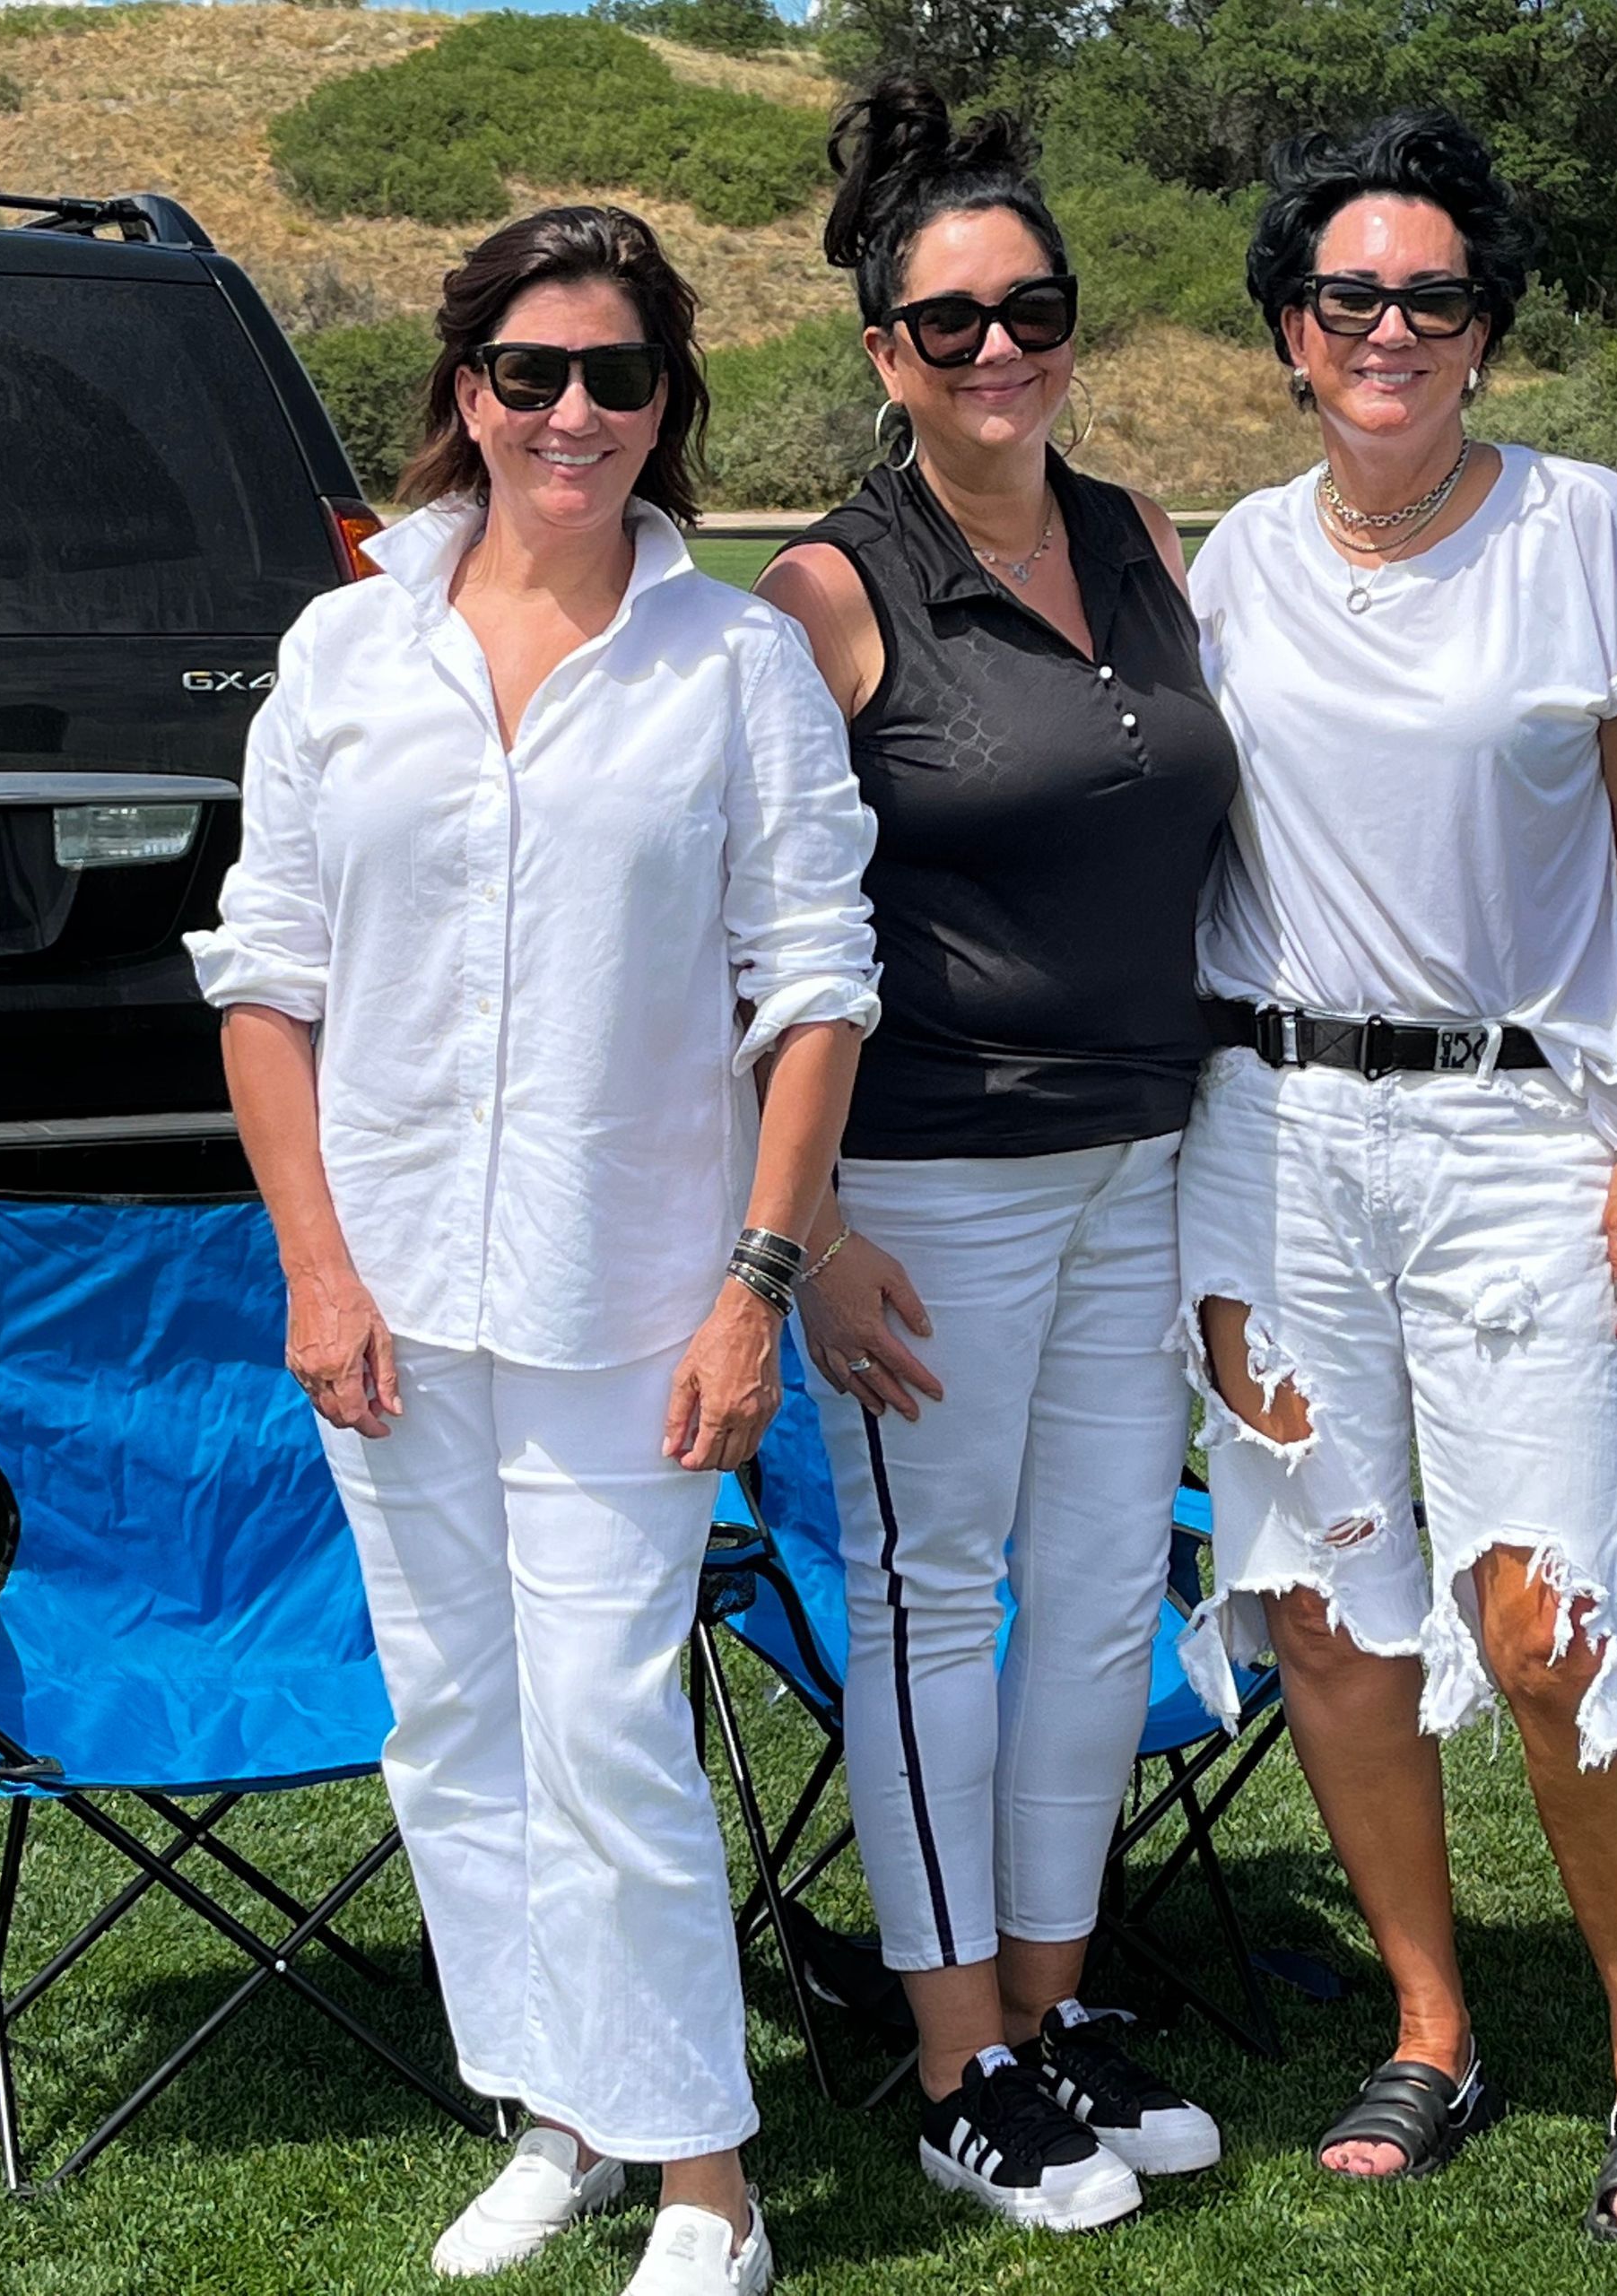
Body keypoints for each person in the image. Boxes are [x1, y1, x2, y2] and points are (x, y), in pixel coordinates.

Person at [187, 204, 879, 2294]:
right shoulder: (341, 649)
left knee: (601, 1714)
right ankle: (561, 2107)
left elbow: (818, 986)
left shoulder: (738, 659)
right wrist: (314, 1261)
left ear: (667, 405)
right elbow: (266, 975)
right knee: (451, 1722)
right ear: (461, 389)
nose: (569, 413)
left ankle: (707, 2179)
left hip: (638, 1299)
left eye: (616, 377)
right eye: (528, 373)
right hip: (385, 1293)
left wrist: (757, 1285)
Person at [1178, 109, 1617, 2242]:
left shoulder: (1585, 530)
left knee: (1553, 1605)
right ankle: (1429, 2022)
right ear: (1292, 336)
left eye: (1431, 296)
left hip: (1521, 1134)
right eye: (1347, 297)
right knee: (1331, 1608)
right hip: (1277, 1139)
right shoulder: (1233, 556)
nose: (1388, 328)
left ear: (1481, 331)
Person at [755, 79, 1236, 2233]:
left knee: (1101, 1594)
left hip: (1148, 1157)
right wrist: (814, 1226)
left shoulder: (1138, 534)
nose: (997, 350)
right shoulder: (831, 590)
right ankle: (956, 2057)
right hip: (930, 1184)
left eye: (1029, 308)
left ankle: (1046, 2008)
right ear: (883, 354)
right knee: (937, 1604)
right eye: (948, 323)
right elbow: (740, 940)